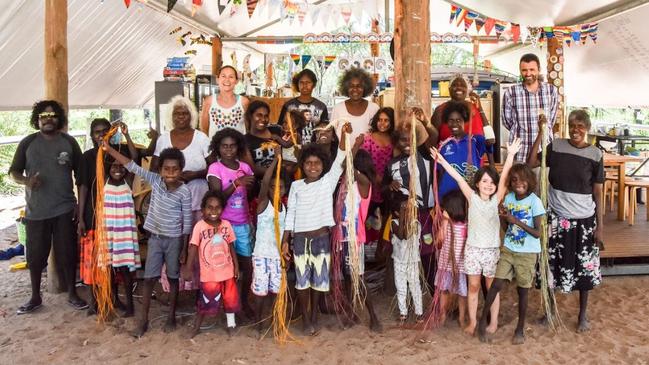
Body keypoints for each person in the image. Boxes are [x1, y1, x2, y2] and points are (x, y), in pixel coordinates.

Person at [430, 137, 521, 336]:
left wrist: (511, 155)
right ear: (478, 183)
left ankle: (493, 322)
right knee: (473, 286)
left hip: (490, 251)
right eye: (485, 181)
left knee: (491, 287)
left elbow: (505, 176)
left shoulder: (496, 200)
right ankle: (472, 322)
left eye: (492, 182)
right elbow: (458, 177)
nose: (488, 185)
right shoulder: (471, 198)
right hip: (472, 250)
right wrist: (442, 160)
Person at [103, 144, 192, 337]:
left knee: (173, 277)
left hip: (175, 240)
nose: (170, 173)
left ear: (181, 170)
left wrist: (184, 249)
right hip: (155, 239)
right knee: (149, 278)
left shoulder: (185, 192)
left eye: (175, 169)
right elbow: (131, 166)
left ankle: (171, 317)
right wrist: (109, 150)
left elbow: (187, 222)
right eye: (166, 169)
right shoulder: (155, 180)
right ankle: (143, 321)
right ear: (159, 170)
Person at [528, 109, 604, 333]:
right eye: (572, 125)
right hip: (556, 218)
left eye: (580, 126)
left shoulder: (596, 154)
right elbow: (532, 162)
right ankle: (549, 310)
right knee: (551, 266)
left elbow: (598, 193)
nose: (576, 130)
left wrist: (600, 227)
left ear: (587, 128)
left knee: (584, 267)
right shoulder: (557, 147)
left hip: (584, 220)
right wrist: (542, 133)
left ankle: (582, 315)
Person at [9, 100, 87, 314]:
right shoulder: (28, 143)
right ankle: (35, 296)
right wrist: (26, 181)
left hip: (64, 209)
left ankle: (72, 292)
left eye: (52, 115)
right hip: (36, 211)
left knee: (68, 253)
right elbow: (13, 172)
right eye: (44, 116)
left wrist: (79, 210)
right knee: (35, 256)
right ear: (38, 119)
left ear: (59, 118)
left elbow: (81, 178)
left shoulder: (69, 143)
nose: (48, 119)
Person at [281, 122, 352, 335]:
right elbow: (290, 215)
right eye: (309, 163)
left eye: (317, 163)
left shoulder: (327, 183)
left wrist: (343, 136)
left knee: (320, 282)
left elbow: (340, 159)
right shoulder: (296, 186)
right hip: (301, 240)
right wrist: (286, 240)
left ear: (323, 165)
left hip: (322, 238)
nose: (313, 167)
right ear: (302, 164)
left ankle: (313, 318)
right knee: (302, 282)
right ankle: (305, 319)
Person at [477, 164, 545, 344]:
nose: (518, 183)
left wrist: (516, 221)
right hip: (509, 249)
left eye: (522, 179)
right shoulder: (508, 198)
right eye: (514, 180)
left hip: (527, 253)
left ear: (530, 180)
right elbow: (507, 228)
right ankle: (482, 321)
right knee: (496, 284)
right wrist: (504, 218)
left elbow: (538, 233)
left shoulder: (534, 201)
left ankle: (520, 329)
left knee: (523, 291)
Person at [78, 119, 137, 315]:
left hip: (117, 218)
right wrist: (81, 217)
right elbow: (83, 187)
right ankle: (95, 301)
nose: (102, 135)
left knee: (114, 263)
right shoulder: (87, 157)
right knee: (95, 262)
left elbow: (134, 159)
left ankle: (114, 299)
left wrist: (126, 133)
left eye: (105, 131)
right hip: (94, 215)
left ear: (112, 132)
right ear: (92, 135)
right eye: (97, 132)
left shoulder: (118, 152)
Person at [152, 96, 210, 292]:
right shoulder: (163, 139)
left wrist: (194, 174)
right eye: (177, 113)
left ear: (191, 115)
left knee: (197, 243)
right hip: (172, 202)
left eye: (185, 113)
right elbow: (154, 168)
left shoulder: (202, 138)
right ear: (171, 116)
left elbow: (213, 167)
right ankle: (173, 287)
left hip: (199, 199)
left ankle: (197, 286)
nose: (181, 117)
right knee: (174, 243)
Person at [207, 128, 256, 319]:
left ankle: (243, 302)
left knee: (247, 266)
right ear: (218, 148)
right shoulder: (215, 169)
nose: (228, 149)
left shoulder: (245, 167)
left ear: (238, 147)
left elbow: (250, 194)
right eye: (224, 146)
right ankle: (228, 305)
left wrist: (244, 183)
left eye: (232, 145)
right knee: (224, 267)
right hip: (223, 226)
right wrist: (237, 183)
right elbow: (217, 198)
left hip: (243, 224)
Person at [332, 149, 382, 332]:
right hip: (342, 237)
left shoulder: (363, 183)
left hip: (354, 239)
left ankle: (373, 317)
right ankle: (352, 313)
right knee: (347, 278)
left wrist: (355, 146)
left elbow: (347, 165)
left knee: (358, 279)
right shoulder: (346, 182)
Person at [183, 191, 240, 338]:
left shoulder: (226, 225)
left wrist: (236, 266)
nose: (213, 211)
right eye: (209, 207)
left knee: (230, 299)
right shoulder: (199, 227)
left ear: (223, 209)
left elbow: (231, 246)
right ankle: (196, 326)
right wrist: (188, 268)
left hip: (227, 271)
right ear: (203, 210)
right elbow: (193, 247)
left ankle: (231, 324)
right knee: (206, 301)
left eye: (217, 207)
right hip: (210, 274)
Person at [100, 159, 142, 317]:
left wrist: (127, 135)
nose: (118, 169)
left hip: (124, 234)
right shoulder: (104, 181)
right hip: (109, 231)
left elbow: (133, 157)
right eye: (114, 166)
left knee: (125, 271)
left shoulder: (128, 180)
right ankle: (114, 299)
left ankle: (130, 306)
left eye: (121, 166)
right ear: (107, 168)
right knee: (110, 269)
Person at [251, 151, 285, 335]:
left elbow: (286, 232)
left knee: (276, 291)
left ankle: (275, 319)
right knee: (260, 292)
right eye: (273, 187)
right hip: (262, 255)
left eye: (280, 186)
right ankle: (258, 322)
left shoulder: (285, 208)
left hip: (277, 256)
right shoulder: (264, 204)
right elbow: (264, 182)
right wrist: (274, 162)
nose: (277, 189)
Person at [502, 53, 558, 163]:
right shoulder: (511, 92)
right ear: (520, 71)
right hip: (520, 153)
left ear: (539, 69)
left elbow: (551, 120)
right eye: (524, 70)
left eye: (532, 69)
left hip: (544, 154)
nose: (528, 73)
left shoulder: (551, 91)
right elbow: (507, 122)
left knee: (543, 180)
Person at [436, 101, 492, 199]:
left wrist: (481, 110)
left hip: (471, 197)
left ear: (464, 121)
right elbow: (440, 174)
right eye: (451, 120)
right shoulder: (443, 146)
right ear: (446, 122)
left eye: (458, 120)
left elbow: (491, 139)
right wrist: (438, 199)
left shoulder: (476, 141)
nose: (454, 123)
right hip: (448, 198)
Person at [434, 190, 468, 328]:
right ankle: (452, 316)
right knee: (454, 292)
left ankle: (452, 316)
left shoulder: (457, 225)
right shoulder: (457, 224)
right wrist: (445, 222)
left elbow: (439, 241)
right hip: (453, 266)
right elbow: (439, 241)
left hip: (454, 266)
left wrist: (445, 222)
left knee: (450, 292)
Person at [389, 191, 423, 324]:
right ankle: (403, 312)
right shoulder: (393, 223)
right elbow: (401, 235)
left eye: (409, 210)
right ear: (397, 213)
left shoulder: (415, 223)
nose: (408, 212)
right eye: (404, 210)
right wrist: (403, 215)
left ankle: (419, 313)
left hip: (412, 261)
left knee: (415, 286)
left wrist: (406, 213)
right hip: (399, 261)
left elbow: (405, 235)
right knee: (401, 286)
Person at [277, 69, 329, 142]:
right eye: (301, 82)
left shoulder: (321, 107)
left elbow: (325, 129)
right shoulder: (289, 106)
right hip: (291, 149)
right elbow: (280, 128)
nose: (304, 85)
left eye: (308, 82)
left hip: (314, 150)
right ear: (297, 84)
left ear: (313, 84)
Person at [360, 107, 395, 218]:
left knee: (386, 220)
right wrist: (376, 178)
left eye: (386, 120)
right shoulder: (368, 139)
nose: (382, 123)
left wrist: (389, 182)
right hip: (371, 184)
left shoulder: (394, 139)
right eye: (380, 120)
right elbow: (363, 163)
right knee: (370, 220)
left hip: (389, 186)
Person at [200, 65, 250, 137]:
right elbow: (204, 130)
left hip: (238, 147)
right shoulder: (209, 101)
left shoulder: (244, 102)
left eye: (231, 77)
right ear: (217, 79)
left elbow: (248, 128)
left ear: (236, 81)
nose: (227, 80)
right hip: (215, 147)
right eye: (223, 76)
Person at [331, 68, 379, 140]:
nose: (355, 89)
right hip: (342, 151)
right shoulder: (338, 108)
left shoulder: (374, 108)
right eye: (351, 86)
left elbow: (379, 134)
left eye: (359, 86)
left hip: (367, 151)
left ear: (365, 88)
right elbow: (332, 134)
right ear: (346, 88)